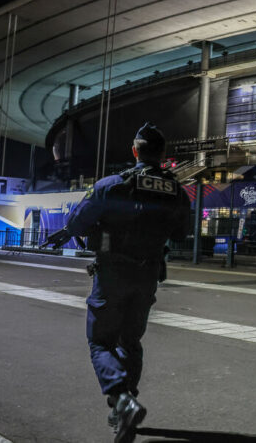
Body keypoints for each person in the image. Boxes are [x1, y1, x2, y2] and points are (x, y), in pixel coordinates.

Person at [43, 122, 191, 443]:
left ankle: (122, 399)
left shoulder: (112, 184)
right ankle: (125, 404)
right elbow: (181, 234)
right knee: (131, 341)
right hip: (148, 274)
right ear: (162, 154)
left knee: (100, 341)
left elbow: (79, 222)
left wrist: (68, 232)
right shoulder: (177, 191)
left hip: (112, 273)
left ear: (134, 151)